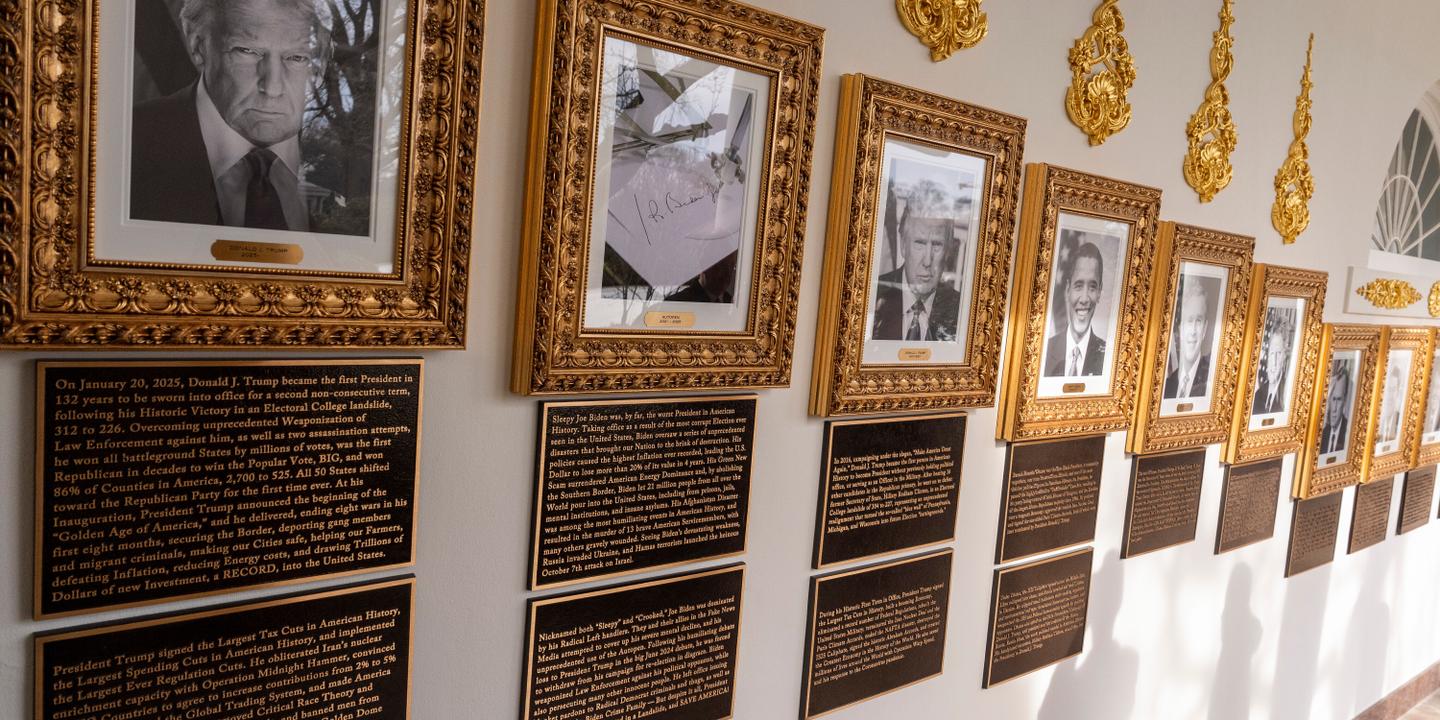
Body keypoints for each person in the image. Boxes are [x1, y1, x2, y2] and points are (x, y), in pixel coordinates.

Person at [130, 0, 331, 231]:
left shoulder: (361, 168)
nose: (273, 87)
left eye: (297, 57)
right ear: (198, 46)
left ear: (322, 63)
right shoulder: (121, 142)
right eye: (247, 51)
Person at [871, 214, 962, 342]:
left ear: (947, 251)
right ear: (903, 245)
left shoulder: (961, 310)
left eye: (937, 244)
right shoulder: (872, 295)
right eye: (920, 243)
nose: (927, 261)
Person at [1043, 241, 1107, 377]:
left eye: (1092, 287)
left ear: (1099, 292)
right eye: (1078, 285)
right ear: (1067, 289)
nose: (1084, 299)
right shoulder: (1044, 351)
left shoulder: (1108, 356)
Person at [1163, 278, 1212, 399]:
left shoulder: (1211, 381)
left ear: (1205, 329)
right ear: (1181, 328)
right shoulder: (1168, 385)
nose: (1193, 331)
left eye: (1198, 321)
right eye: (1189, 321)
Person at [1251, 315, 1293, 415]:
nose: (1273, 363)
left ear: (1285, 357)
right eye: (1271, 353)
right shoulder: (1257, 396)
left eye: (1278, 354)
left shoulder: (1288, 398)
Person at [1319, 362, 1351, 456]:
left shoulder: (1349, 432)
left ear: (1344, 401)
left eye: (1339, 400)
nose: (1335, 408)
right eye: (1333, 399)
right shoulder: (1322, 433)